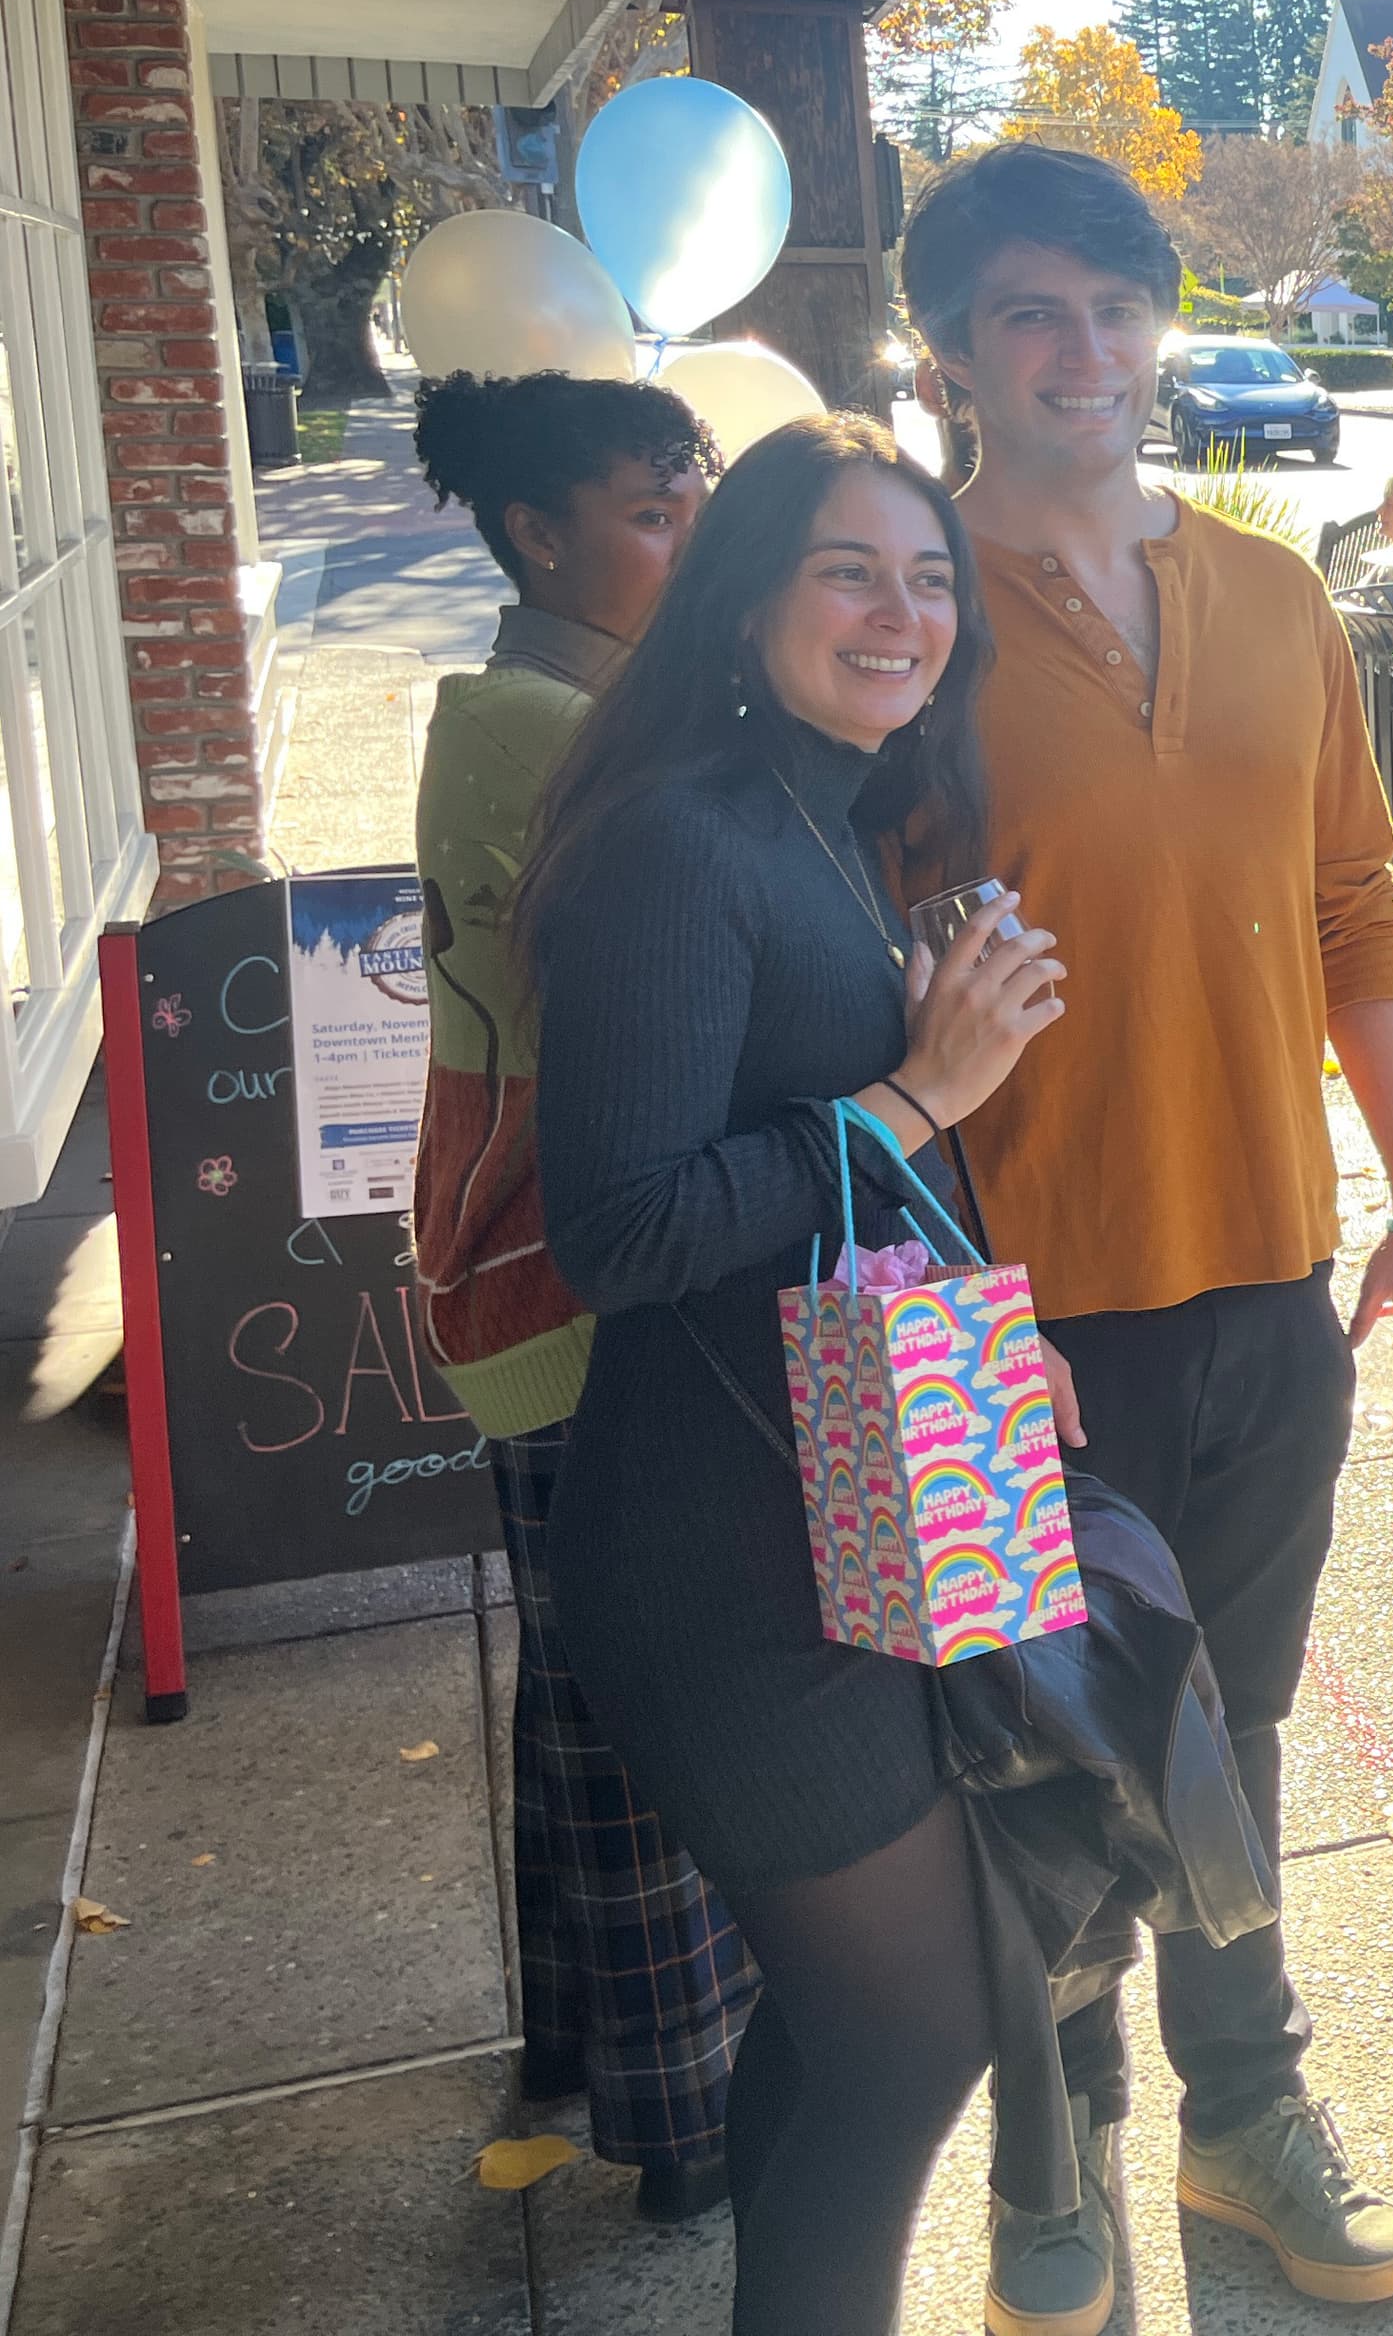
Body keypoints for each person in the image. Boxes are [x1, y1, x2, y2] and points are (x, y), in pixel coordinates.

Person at [903, 141, 1393, 2323]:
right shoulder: (905, 606)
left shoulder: (1277, 597)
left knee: (1234, 1721)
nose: (1087, 351)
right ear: (952, 351)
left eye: (1119, 309)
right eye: (1033, 313)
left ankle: (1247, 2112)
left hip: (1262, 1275)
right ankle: (1061, 2154)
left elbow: (1356, 909)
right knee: (1034, 1753)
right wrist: (941, 1280)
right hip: (999, 1314)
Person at [521, 418, 1069, 2335]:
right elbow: (622, 1230)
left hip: (857, 1498)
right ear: (746, 595)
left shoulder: (816, 811)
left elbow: (824, 1180)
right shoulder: (680, 840)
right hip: (724, 1560)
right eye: (849, 570)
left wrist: (993, 1326)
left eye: (929, 578)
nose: (899, 613)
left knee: (858, 2024)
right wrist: (923, 1087)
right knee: (920, 2024)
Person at [409, 370, 743, 2225]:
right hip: (566, 1277)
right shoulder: (540, 734)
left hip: (556, 1263)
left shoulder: (582, 709)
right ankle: (687, 2118)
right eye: (651, 512)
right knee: (641, 1694)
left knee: (586, 1682)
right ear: (539, 535)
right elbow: (687, 1000)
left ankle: (582, 2048)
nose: (689, 542)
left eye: (695, 500)